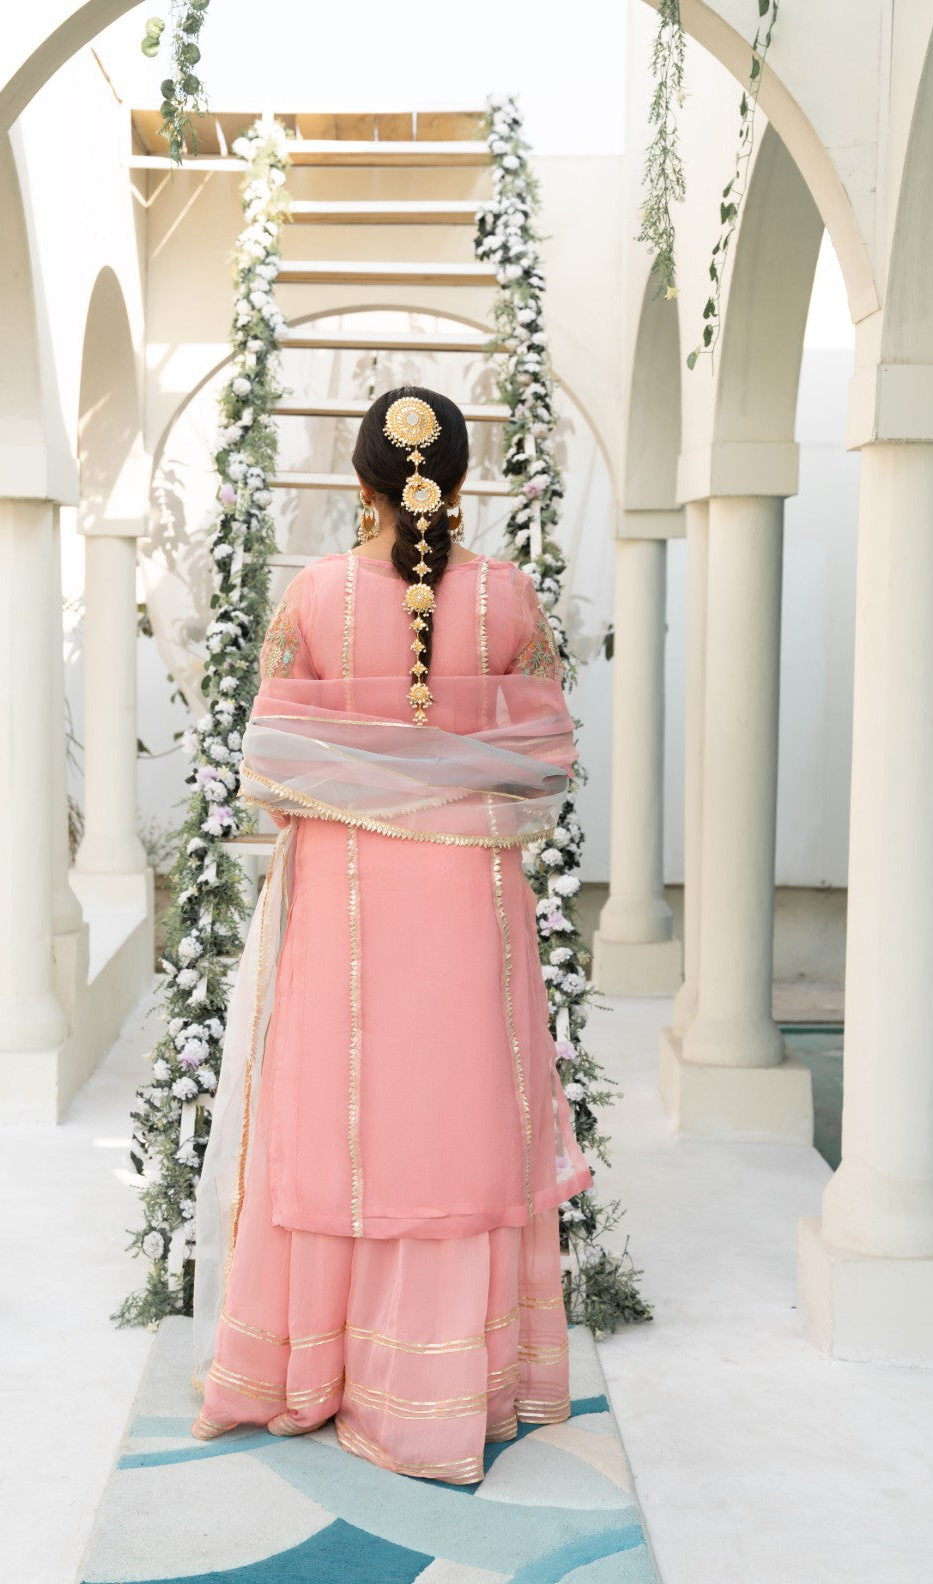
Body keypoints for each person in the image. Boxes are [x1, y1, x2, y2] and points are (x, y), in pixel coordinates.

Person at [189, 385, 592, 1485]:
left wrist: (364, 783)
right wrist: (444, 778)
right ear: (458, 482)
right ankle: (446, 1388)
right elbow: (543, 761)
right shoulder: (508, 599)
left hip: (347, 893)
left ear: (361, 483)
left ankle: (313, 1367)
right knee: (460, 1111)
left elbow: (273, 768)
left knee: (342, 1113)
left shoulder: (312, 595)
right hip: (471, 893)